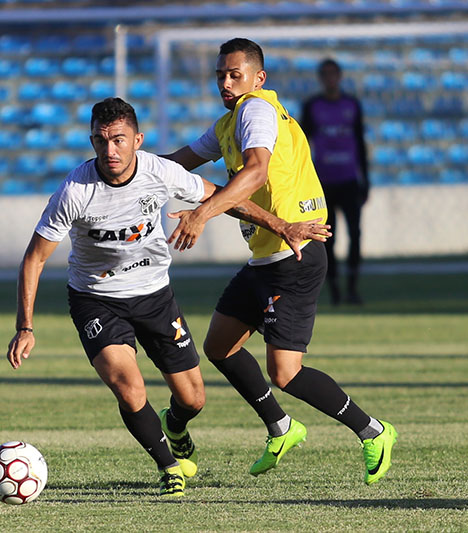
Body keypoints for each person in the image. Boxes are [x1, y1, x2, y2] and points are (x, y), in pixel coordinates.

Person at [7, 97, 329, 497]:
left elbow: (224, 197)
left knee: (193, 399)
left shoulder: (160, 172)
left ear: (137, 140)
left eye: (119, 140)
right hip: (96, 299)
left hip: (155, 296)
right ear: (91, 142)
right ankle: (169, 467)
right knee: (129, 387)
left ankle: (175, 427)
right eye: (101, 141)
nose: (110, 150)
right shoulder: (75, 191)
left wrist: (280, 225)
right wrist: (25, 326)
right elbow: (34, 258)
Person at [162, 38, 397, 485]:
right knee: (219, 346)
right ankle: (282, 427)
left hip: (296, 254)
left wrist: (201, 213)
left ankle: (374, 431)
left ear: (258, 77)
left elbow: (256, 172)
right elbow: (178, 163)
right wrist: (126, 170)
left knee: (285, 372)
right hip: (266, 258)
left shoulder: (256, 111)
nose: (226, 83)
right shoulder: (228, 122)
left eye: (235, 74)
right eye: (220, 75)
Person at [301, 58, 370, 305]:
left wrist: (366, 180)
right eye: (326, 74)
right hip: (324, 184)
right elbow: (302, 145)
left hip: (349, 181)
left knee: (356, 234)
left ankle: (352, 288)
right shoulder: (312, 107)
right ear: (321, 78)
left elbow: (360, 143)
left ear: (339, 77)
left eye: (334, 74)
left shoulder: (352, 105)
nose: (330, 79)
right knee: (327, 238)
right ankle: (334, 291)